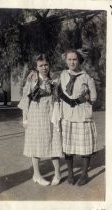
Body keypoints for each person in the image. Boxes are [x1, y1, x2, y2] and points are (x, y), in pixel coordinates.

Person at [18, 54, 62, 186]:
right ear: (36, 67)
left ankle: (58, 173)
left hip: (51, 113)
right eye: (41, 65)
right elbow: (26, 99)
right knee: (36, 143)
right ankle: (36, 175)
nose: (44, 67)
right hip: (36, 114)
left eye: (46, 64)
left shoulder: (54, 78)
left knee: (55, 142)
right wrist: (24, 118)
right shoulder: (32, 79)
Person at [57, 49, 97, 186]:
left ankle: (85, 174)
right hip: (67, 116)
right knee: (68, 147)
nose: (72, 62)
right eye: (69, 59)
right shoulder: (62, 75)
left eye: (75, 59)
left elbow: (93, 97)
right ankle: (70, 173)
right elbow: (56, 89)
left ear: (79, 60)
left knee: (85, 146)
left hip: (82, 116)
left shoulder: (86, 77)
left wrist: (85, 98)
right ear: (66, 61)